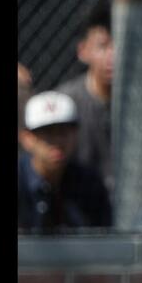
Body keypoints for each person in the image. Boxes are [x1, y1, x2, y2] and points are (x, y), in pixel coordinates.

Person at [18, 92, 112, 232]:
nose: (57, 141)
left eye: (63, 131)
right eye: (47, 132)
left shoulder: (89, 182)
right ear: (27, 139)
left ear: (76, 133)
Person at [54, 0, 114, 192]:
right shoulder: (64, 103)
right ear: (83, 51)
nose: (112, 56)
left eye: (120, 44)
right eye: (103, 46)